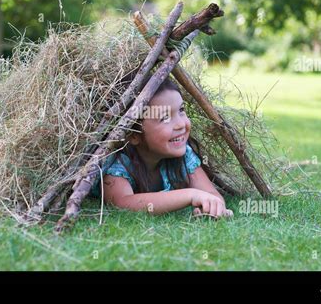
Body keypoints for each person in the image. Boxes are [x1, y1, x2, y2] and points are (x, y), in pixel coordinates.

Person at [91, 77, 233, 219]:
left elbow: (211, 194)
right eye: (165, 118)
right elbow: (122, 203)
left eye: (181, 110)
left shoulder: (184, 156)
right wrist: (191, 195)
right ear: (133, 135)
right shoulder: (118, 163)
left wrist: (212, 205)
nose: (180, 124)